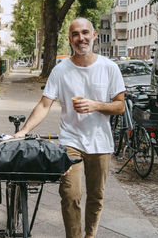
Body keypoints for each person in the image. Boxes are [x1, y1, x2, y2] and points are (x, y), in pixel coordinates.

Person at [14, 17, 125, 238]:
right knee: (70, 194)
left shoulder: (109, 68)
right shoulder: (60, 70)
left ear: (93, 36)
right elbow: (45, 104)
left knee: (96, 195)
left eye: (85, 33)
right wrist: (23, 130)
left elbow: (120, 106)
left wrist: (95, 105)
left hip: (100, 142)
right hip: (70, 140)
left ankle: (90, 234)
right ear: (70, 39)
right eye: (75, 34)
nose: (80, 38)